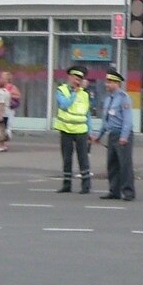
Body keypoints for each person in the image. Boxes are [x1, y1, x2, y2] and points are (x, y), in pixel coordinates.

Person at [91, 69, 135, 201]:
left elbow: (127, 120)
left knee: (125, 165)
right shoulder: (108, 99)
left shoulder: (123, 98)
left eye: (110, 82)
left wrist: (124, 136)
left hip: (122, 135)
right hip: (112, 135)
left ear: (117, 83)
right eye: (107, 81)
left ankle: (128, 192)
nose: (107, 84)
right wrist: (99, 136)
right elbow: (106, 121)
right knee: (112, 165)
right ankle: (114, 191)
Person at [54, 65, 91, 194]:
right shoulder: (61, 90)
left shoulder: (84, 94)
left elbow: (87, 113)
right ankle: (67, 184)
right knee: (67, 158)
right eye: (75, 78)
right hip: (66, 130)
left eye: (79, 79)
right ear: (69, 77)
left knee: (83, 158)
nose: (77, 82)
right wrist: (74, 93)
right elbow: (65, 105)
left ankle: (86, 185)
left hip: (81, 130)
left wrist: (90, 131)